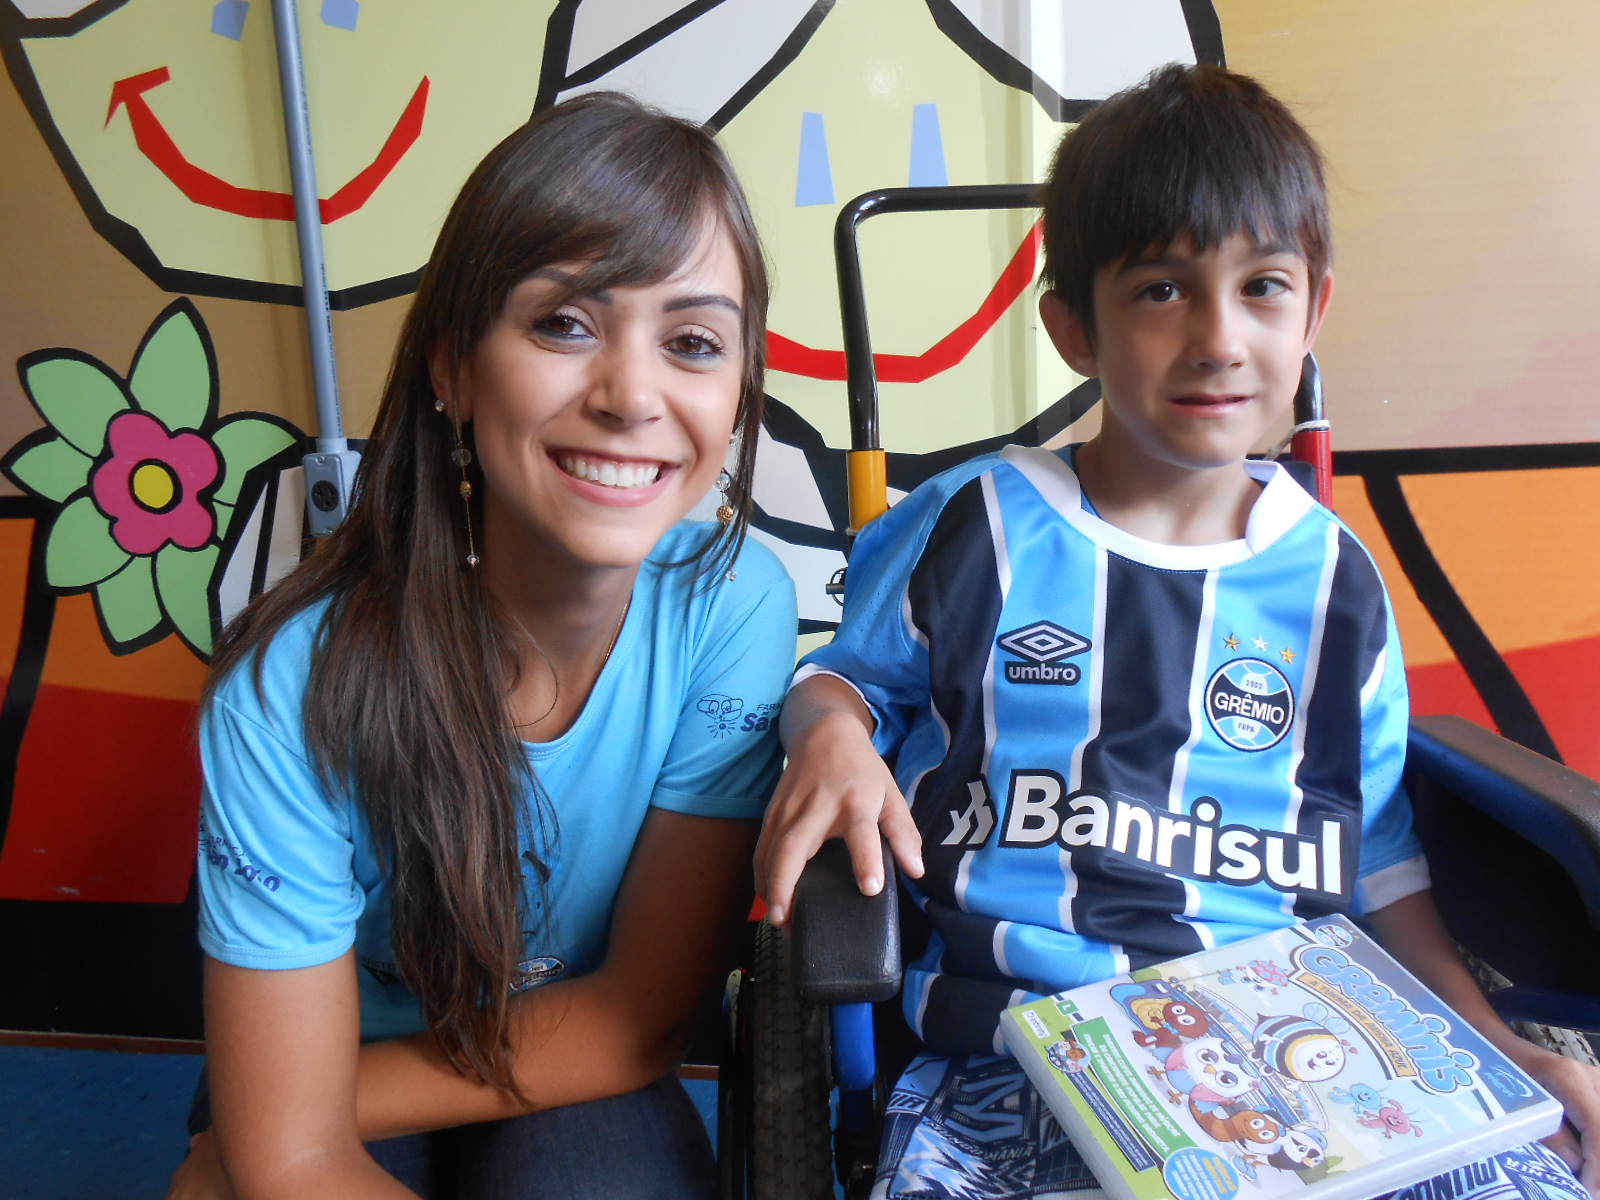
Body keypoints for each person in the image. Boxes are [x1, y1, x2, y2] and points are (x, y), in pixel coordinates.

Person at [754, 64, 1600, 1199]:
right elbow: (842, 684)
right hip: (1029, 1063)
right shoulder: (978, 530)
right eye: (1160, 291)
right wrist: (832, 735)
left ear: (1312, 313)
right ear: (1073, 327)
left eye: (1261, 287)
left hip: (1317, 1069)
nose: (1217, 338)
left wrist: (1488, 1040)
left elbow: (1378, 861)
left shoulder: (1332, 580)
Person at [169, 92, 796, 1200]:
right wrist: (275, 1126)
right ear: (452, 366)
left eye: (692, 342)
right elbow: (293, 1155)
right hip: (312, 1053)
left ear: (737, 388)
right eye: (564, 323)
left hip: (564, 1059)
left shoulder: (733, 604)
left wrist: (277, 1128)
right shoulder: (287, 688)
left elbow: (634, 1022)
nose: (631, 396)